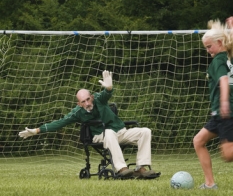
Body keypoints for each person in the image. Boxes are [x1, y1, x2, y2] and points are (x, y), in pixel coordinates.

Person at [19, 70, 159, 178]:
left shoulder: (99, 99)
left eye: (88, 99)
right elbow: (59, 123)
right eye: (83, 102)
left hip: (120, 132)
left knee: (145, 131)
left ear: (91, 97)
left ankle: (140, 168)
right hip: (101, 136)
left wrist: (109, 88)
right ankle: (122, 169)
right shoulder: (77, 112)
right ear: (78, 104)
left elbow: (106, 95)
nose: (87, 103)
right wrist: (37, 130)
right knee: (108, 132)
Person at [193, 17, 233, 189]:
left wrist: (224, 101)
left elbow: (223, 81)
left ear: (219, 42)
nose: (208, 51)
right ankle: (210, 183)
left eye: (209, 47)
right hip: (218, 113)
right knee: (198, 141)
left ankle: (210, 183)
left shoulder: (218, 60)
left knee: (228, 155)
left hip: (225, 112)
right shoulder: (228, 56)